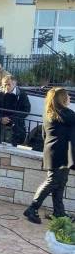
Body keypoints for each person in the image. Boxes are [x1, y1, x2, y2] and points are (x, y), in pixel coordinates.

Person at [23, 88, 75, 224]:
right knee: (53, 181)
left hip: (53, 151)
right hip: (62, 153)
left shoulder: (49, 113)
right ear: (62, 99)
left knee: (60, 183)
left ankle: (59, 212)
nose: (69, 97)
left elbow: (44, 135)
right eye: (67, 96)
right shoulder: (68, 114)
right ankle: (32, 208)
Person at [0, 75, 31, 146]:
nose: (6, 87)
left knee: (11, 148)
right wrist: (0, 118)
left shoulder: (21, 95)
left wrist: (11, 119)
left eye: (9, 84)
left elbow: (26, 110)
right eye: (4, 84)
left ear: (14, 84)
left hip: (14, 127)